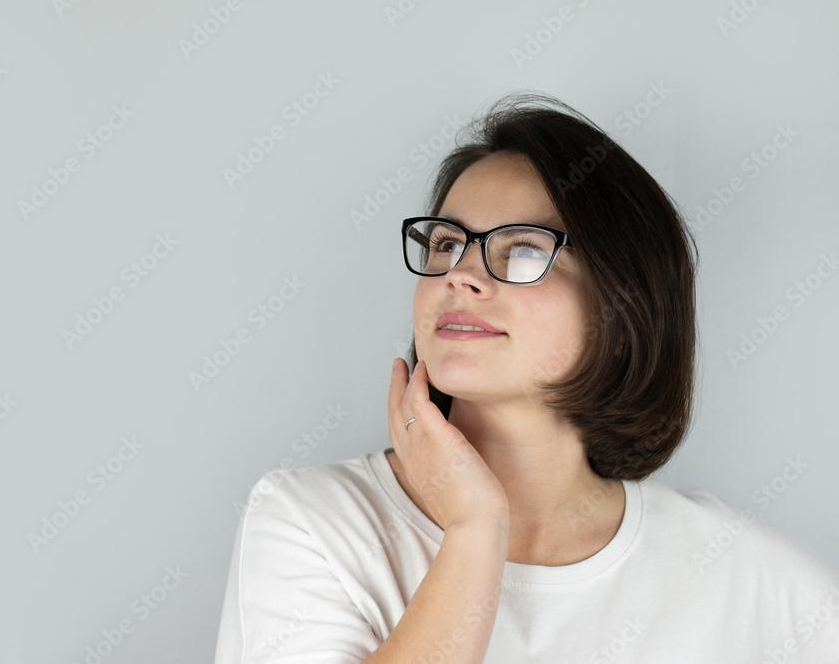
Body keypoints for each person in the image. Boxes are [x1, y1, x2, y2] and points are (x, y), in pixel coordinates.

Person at [213, 92, 839, 663]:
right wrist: (475, 527)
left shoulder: (739, 572)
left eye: (526, 250)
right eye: (445, 244)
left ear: (621, 310)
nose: (460, 274)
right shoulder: (314, 523)